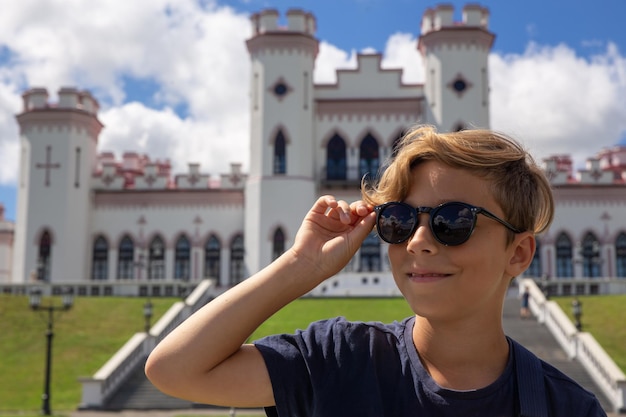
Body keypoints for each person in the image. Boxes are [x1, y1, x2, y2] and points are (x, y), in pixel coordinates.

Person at [145, 125, 606, 416]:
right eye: (399, 221)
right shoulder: (340, 360)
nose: (419, 241)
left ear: (519, 253)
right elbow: (175, 370)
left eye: (453, 222)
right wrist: (300, 265)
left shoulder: (563, 405)